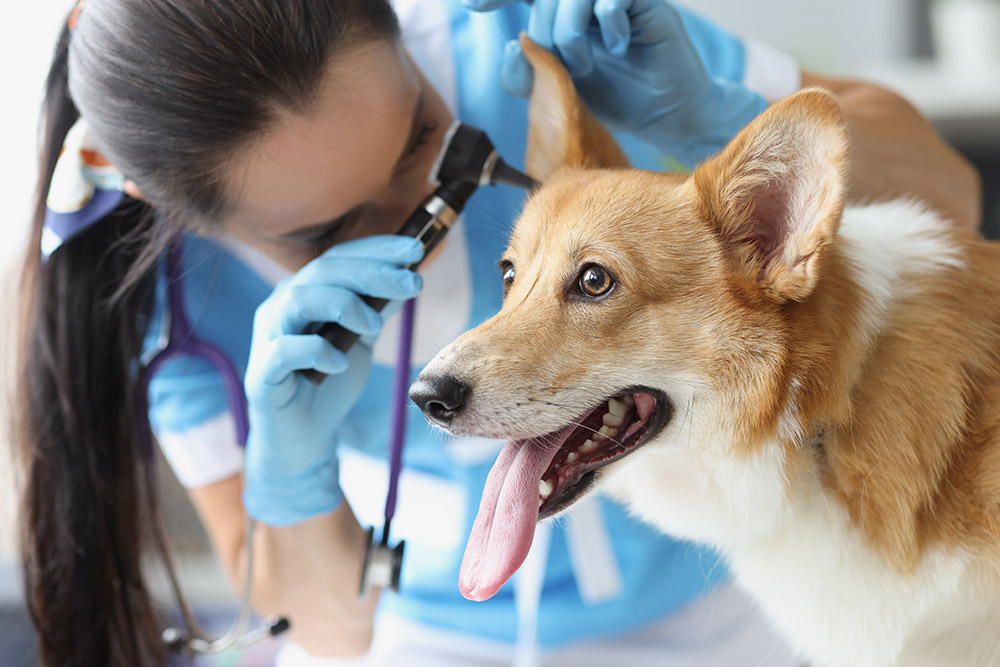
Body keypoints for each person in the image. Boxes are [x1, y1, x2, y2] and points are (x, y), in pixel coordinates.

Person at [15, 0, 979, 666]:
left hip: (726, 609)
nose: (418, 215)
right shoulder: (163, 301)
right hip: (423, 634)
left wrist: (715, 111)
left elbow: (953, 196)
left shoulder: (539, 53)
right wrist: (290, 471)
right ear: (188, 217)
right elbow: (319, 623)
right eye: (323, 229)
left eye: (418, 140)